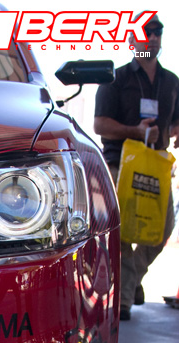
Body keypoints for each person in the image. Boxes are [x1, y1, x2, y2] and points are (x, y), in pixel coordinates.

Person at [94, 13, 179, 320]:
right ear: (132, 41)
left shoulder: (172, 82)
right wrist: (135, 131)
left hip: (156, 167)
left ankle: (128, 283)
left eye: (158, 32)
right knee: (123, 234)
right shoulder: (116, 79)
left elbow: (174, 123)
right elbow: (100, 125)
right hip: (121, 165)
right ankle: (124, 300)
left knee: (162, 230)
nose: (153, 38)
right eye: (146, 33)